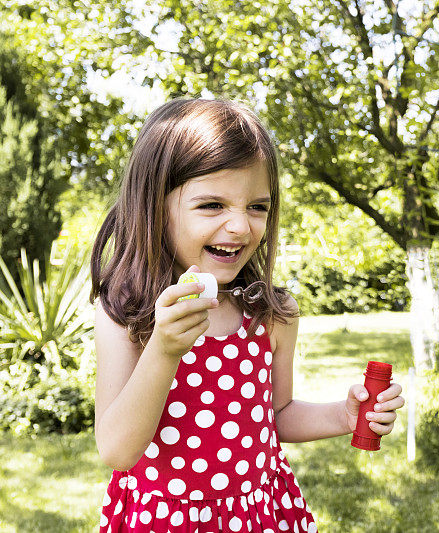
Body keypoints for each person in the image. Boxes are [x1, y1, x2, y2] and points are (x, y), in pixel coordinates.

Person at [89, 98, 405, 532]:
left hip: (259, 517)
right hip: (164, 520)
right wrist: (163, 351)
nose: (241, 226)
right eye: (212, 205)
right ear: (153, 205)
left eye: (257, 206)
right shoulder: (125, 315)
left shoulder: (271, 315)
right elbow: (117, 451)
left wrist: (342, 416)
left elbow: (274, 415)